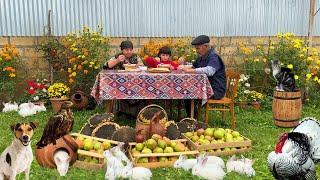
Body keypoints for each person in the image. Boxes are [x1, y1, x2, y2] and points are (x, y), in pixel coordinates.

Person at [180, 35, 227, 117]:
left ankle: (193, 118)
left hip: (215, 90)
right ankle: (192, 117)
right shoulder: (202, 56)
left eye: (198, 48)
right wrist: (183, 65)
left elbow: (210, 71)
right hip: (206, 87)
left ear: (206, 46)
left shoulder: (213, 56)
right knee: (187, 91)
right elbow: (193, 66)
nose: (196, 51)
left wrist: (191, 70)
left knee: (189, 92)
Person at [104, 40, 144, 118]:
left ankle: (137, 114)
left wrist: (136, 66)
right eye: (126, 50)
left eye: (130, 50)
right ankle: (120, 113)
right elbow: (106, 66)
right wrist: (118, 60)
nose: (129, 52)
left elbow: (142, 67)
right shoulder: (118, 56)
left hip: (134, 83)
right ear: (122, 50)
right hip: (119, 84)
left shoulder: (135, 56)